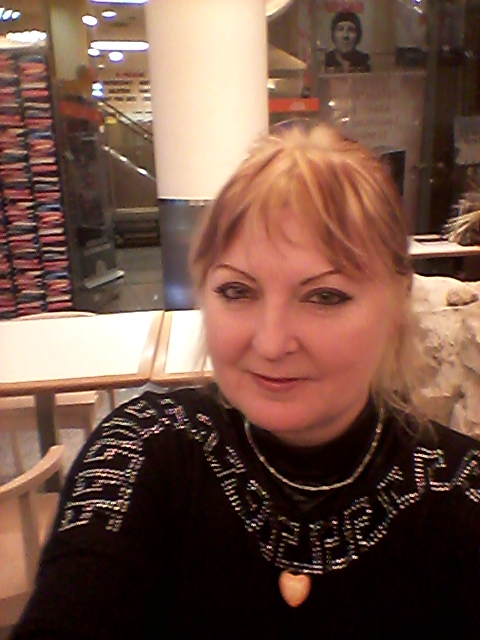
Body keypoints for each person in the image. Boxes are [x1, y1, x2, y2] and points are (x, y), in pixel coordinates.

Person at [11, 122, 479, 638]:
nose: (271, 343)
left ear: (397, 302)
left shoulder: (462, 491)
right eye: (237, 291)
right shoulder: (142, 448)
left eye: (324, 296)